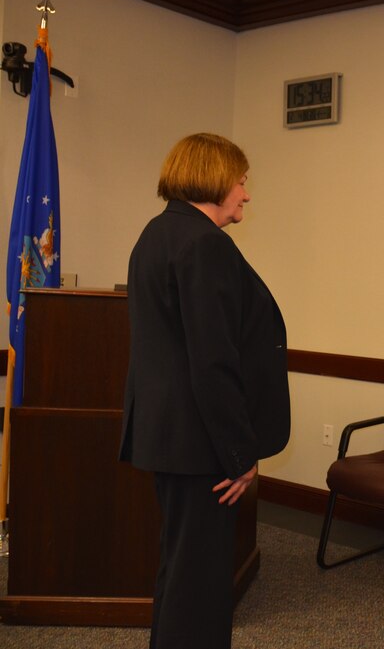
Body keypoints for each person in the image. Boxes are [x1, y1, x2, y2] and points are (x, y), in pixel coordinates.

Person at [120, 133, 290, 649]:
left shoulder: (157, 233)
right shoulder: (205, 245)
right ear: (216, 179)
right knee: (201, 585)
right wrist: (239, 455)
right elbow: (212, 362)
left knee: (181, 572)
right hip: (202, 445)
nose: (246, 193)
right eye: (241, 181)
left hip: (171, 437)